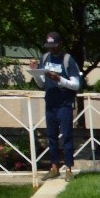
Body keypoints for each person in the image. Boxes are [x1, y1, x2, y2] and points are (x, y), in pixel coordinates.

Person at [33, 31, 82, 182]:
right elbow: (41, 83)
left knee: (66, 136)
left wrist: (59, 79)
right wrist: (35, 72)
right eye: (49, 46)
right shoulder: (45, 58)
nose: (51, 49)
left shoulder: (68, 60)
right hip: (50, 103)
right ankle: (53, 168)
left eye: (54, 46)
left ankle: (68, 169)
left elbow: (76, 85)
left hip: (64, 104)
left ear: (60, 44)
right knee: (51, 137)